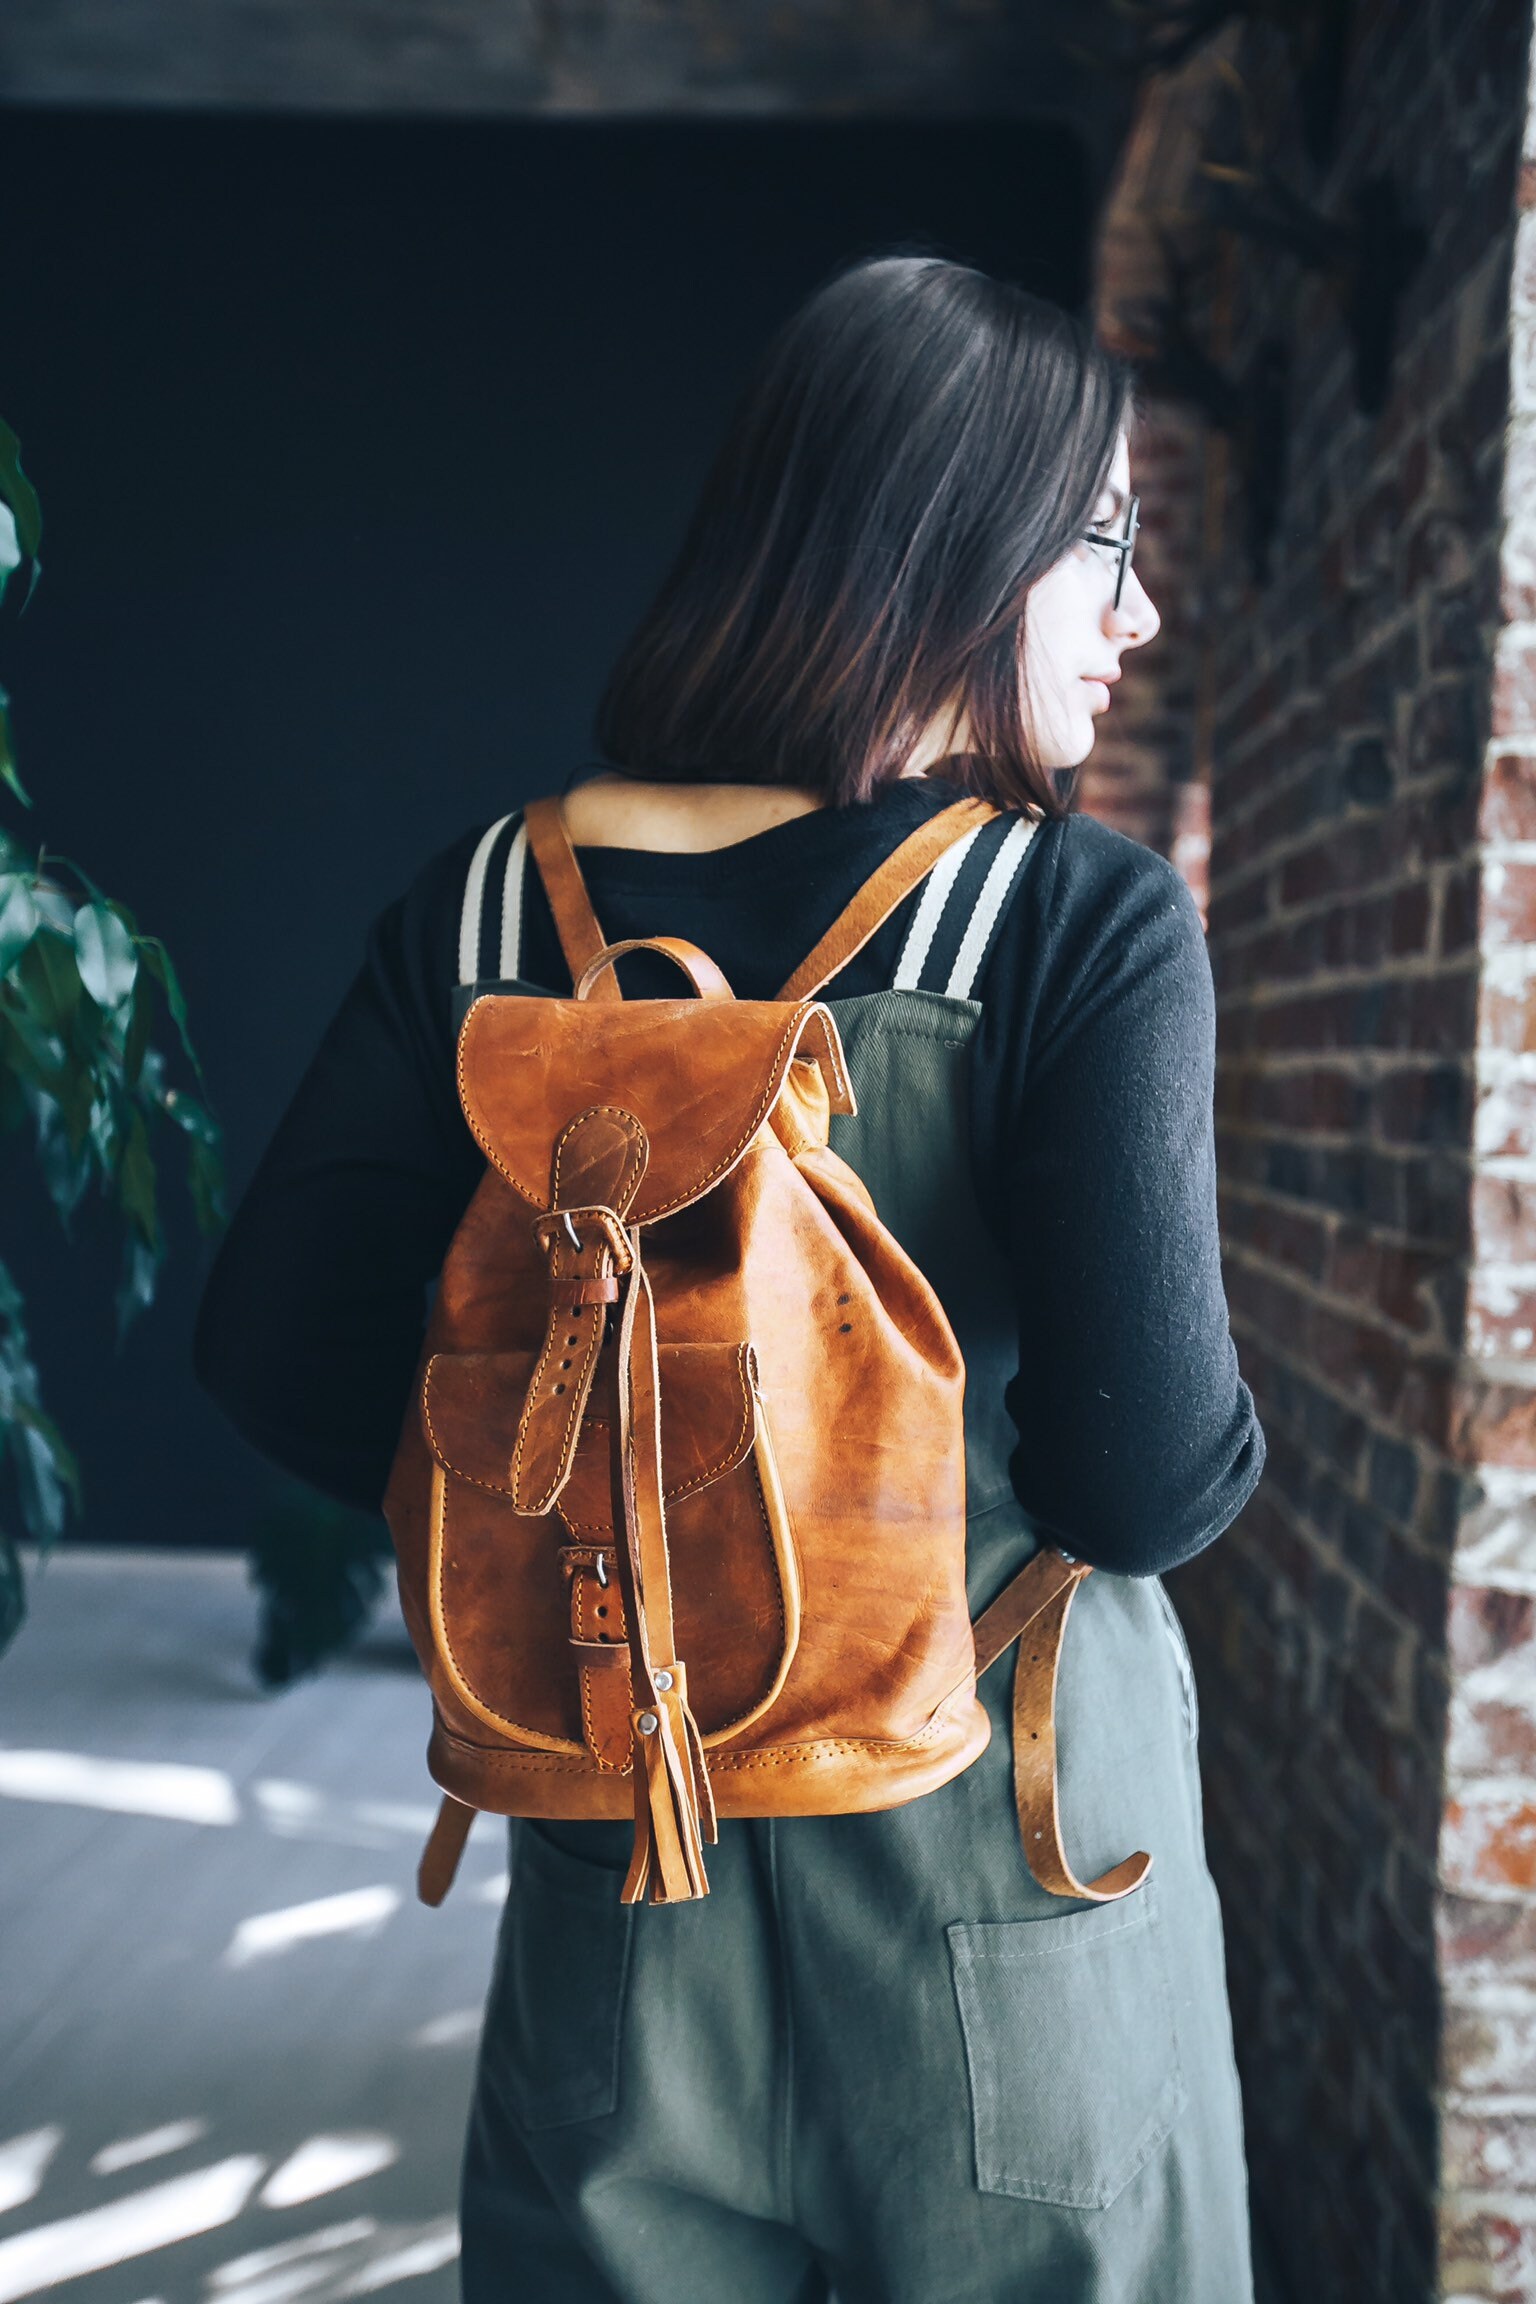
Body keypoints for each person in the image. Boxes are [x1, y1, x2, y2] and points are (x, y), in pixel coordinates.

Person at [196, 253, 1265, 2303]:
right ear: (953, 535)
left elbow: (274, 1349)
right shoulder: (1073, 921)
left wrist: (582, 1508)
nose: (1140, 612)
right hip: (1013, 1878)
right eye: (1109, 540)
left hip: (625, 1842)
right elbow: (1145, 1480)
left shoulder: (495, 901)